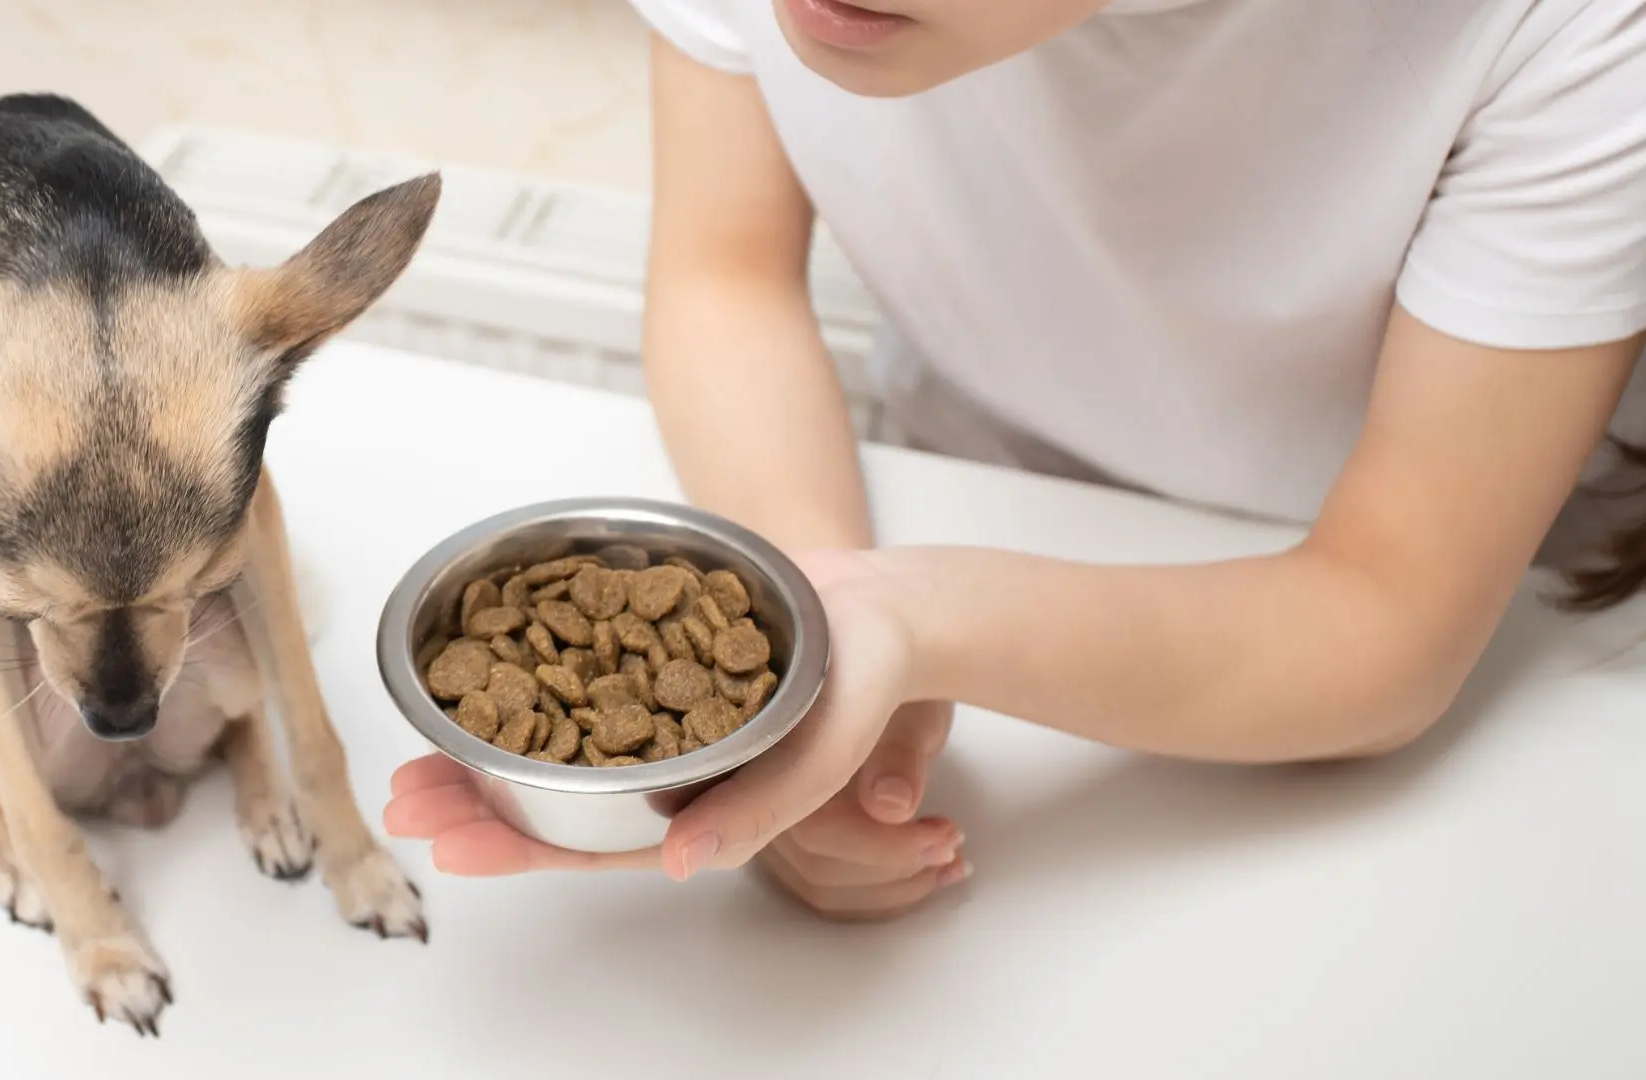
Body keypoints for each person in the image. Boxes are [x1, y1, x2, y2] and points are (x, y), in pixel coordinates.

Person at [385, 0, 1646, 919]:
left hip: (1472, 682)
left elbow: (1390, 621)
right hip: (958, 482)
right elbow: (728, 279)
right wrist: (817, 660)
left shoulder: (1574, 36)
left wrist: (910, 620)